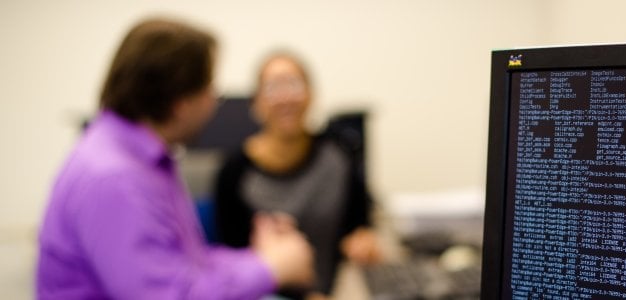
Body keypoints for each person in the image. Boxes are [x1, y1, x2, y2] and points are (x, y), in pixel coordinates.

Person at [36, 17, 314, 299]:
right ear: (180, 104)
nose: (213, 99)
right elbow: (169, 293)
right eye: (208, 88)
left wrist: (263, 260)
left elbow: (189, 264)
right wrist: (269, 268)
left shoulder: (142, 159)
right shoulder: (116, 178)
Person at [214, 51, 382, 299]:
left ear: (311, 94)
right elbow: (230, 262)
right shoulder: (234, 172)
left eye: (294, 84)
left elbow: (361, 220)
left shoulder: (338, 156)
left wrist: (363, 239)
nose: (285, 98)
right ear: (256, 103)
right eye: (272, 88)